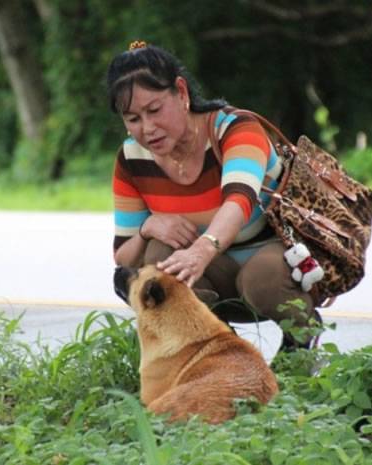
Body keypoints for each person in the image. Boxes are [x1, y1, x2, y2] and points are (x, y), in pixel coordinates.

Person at [107, 40, 320, 350]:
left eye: (154, 110)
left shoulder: (236, 128)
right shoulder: (131, 159)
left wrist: (201, 250)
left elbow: (240, 199)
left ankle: (301, 338)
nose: (148, 128)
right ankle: (220, 351)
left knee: (260, 279)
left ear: (181, 93)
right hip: (209, 276)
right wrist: (147, 227)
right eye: (133, 119)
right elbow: (124, 256)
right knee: (157, 257)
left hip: (270, 260)